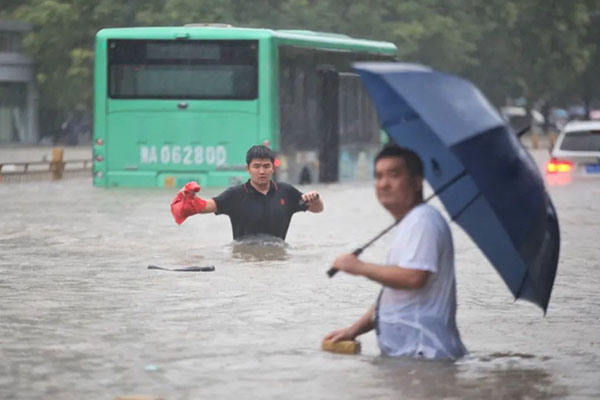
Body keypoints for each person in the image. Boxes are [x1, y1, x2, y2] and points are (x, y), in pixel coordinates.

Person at [323, 145, 466, 360]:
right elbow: (395, 298)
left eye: (394, 175)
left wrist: (360, 268)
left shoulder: (422, 220)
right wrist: (353, 330)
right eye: (379, 176)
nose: (384, 184)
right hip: (407, 360)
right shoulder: (410, 223)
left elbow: (414, 278)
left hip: (425, 358)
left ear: (417, 182)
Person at [171, 145, 323, 240]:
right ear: (248, 169)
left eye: (266, 166)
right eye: (256, 166)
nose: (261, 171)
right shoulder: (235, 195)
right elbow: (206, 206)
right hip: (244, 260)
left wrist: (316, 198)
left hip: (277, 260)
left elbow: (317, 209)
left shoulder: (286, 192)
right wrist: (189, 198)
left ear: (273, 168)